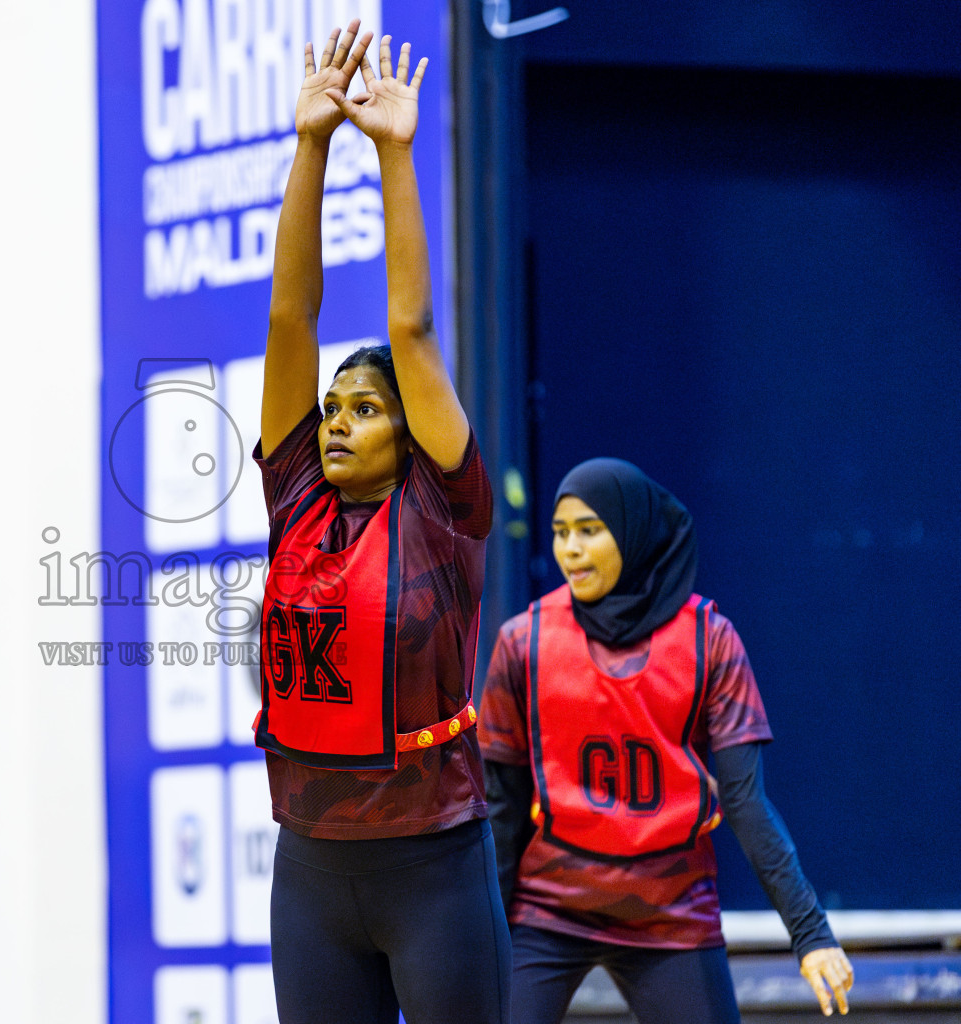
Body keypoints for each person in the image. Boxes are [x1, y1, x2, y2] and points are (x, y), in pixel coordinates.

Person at [254, 23, 510, 1024]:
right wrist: (310, 148)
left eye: (366, 409)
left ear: (413, 432)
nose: (339, 424)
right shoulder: (296, 499)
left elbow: (411, 328)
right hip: (309, 868)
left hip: (433, 864)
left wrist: (391, 156)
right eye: (332, 409)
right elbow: (289, 317)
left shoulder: (445, 509)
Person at [477, 458, 856, 1022]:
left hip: (671, 912)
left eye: (590, 530)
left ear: (633, 531)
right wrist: (489, 934)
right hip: (549, 911)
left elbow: (746, 802)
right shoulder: (523, 641)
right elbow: (500, 806)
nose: (570, 551)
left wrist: (812, 934)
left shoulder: (709, 640)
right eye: (560, 533)